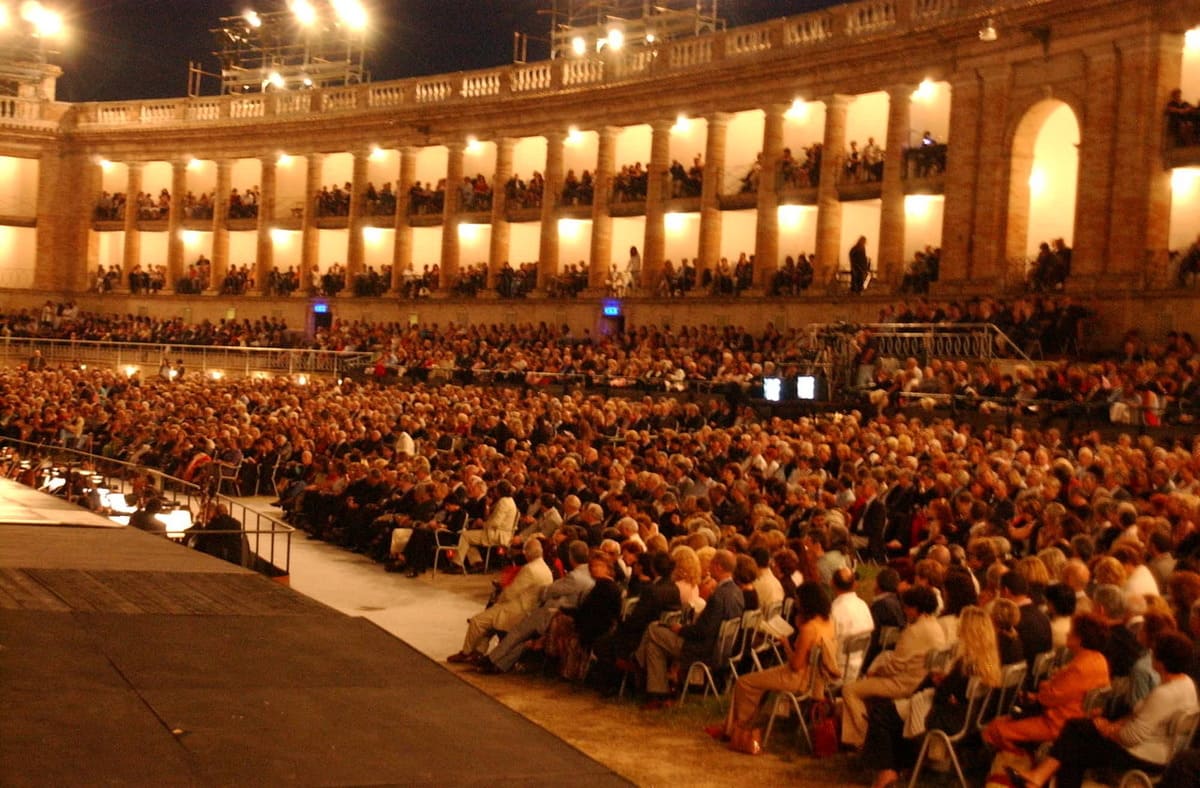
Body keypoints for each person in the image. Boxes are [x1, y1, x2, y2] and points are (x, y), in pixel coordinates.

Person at [1008, 632, 1200, 788]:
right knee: (1076, 731)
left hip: (1143, 755)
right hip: (1157, 750)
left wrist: (1107, 730)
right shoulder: (1187, 684)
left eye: (1154, 652)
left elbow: (1131, 737)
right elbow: (1139, 715)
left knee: (1074, 744)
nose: (1150, 654)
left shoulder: (1165, 694)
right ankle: (1037, 778)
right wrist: (1112, 724)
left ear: (1162, 661)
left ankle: (1037, 778)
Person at [863, 606, 1001, 788]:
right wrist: (949, 689)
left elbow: (941, 696)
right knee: (893, 714)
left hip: (948, 718)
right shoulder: (987, 662)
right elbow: (956, 691)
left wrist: (941, 685)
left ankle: (887, 771)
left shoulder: (965, 663)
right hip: (968, 719)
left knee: (883, 714)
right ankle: (895, 768)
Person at [714, 581, 840, 740]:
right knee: (760, 680)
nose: (796, 603)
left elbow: (795, 665)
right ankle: (742, 722)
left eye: (798, 599)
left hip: (798, 679)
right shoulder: (829, 623)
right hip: (815, 678)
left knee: (744, 682)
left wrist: (786, 644)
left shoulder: (809, 629)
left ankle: (736, 727)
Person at [983, 613, 1111, 752]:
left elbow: (1049, 698)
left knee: (994, 728)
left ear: (1080, 639)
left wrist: (1044, 687)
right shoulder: (1100, 660)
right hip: (1071, 718)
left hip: (1058, 724)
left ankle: (1017, 762)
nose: (1067, 634)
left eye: (1071, 631)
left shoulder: (1080, 667)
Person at [841, 586, 947, 749]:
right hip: (919, 681)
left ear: (915, 608)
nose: (904, 611)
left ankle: (863, 736)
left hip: (904, 684)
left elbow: (895, 666)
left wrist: (875, 671)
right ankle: (855, 739)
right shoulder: (937, 627)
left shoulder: (914, 631)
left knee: (850, 689)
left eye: (906, 607)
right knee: (865, 686)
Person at [636, 548, 744, 709]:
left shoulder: (719, 596)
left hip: (701, 649)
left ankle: (638, 662)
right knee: (653, 647)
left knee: (653, 628)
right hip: (719, 648)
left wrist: (681, 629)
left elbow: (702, 631)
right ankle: (659, 694)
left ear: (719, 567)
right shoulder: (736, 592)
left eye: (712, 564)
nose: (709, 568)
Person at [477, 539, 594, 674]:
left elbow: (547, 591)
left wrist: (547, 593)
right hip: (562, 614)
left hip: (553, 615)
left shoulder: (575, 577)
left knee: (518, 632)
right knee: (522, 639)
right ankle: (499, 663)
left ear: (570, 557)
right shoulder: (589, 575)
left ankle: (491, 660)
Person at [446, 538, 553, 665]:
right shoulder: (545, 569)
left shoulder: (530, 569)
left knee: (477, 621)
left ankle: (466, 652)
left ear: (526, 553)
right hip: (529, 609)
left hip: (517, 611)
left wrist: (498, 599)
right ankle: (478, 652)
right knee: (490, 619)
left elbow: (510, 593)